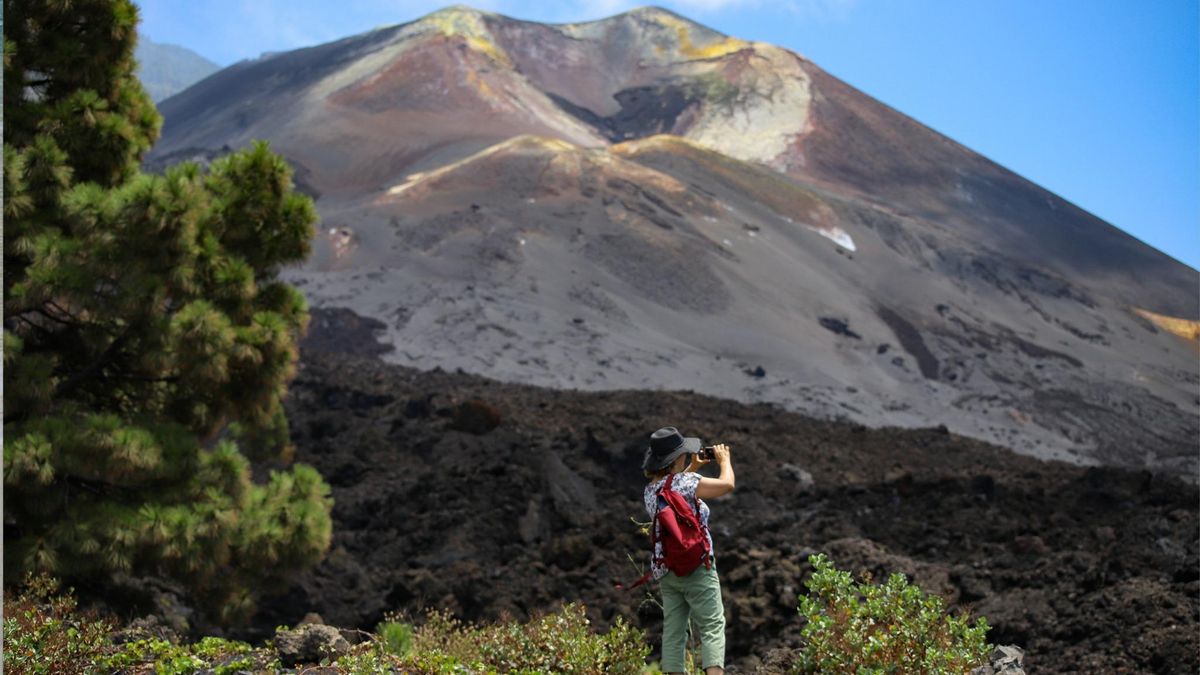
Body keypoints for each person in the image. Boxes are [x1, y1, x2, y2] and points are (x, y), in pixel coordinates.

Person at [642, 426, 735, 675]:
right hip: (697, 567)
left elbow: (671, 488)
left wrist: (693, 467)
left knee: (673, 629)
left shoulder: (650, 491)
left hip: (668, 571)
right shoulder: (687, 482)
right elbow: (727, 485)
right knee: (712, 625)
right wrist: (724, 460)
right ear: (677, 458)